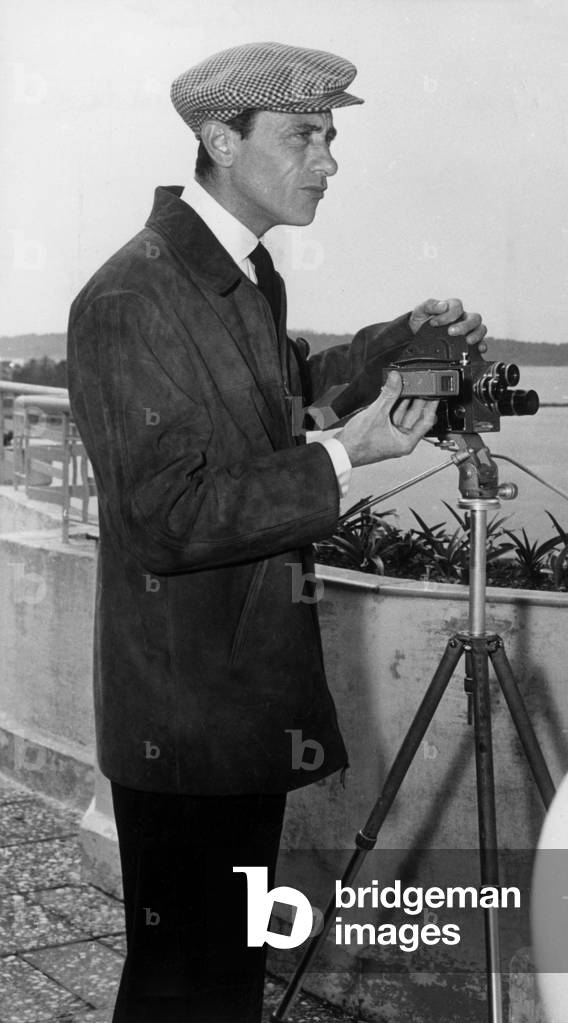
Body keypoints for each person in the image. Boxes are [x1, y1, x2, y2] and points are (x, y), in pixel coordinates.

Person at [66, 41, 487, 1023]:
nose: (328, 160)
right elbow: (166, 516)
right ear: (222, 138)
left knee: (223, 980)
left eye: (331, 137)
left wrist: (401, 340)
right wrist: (347, 456)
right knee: (185, 989)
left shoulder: (238, 275)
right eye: (305, 135)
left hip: (235, 703)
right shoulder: (134, 297)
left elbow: (283, 400)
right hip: (184, 719)